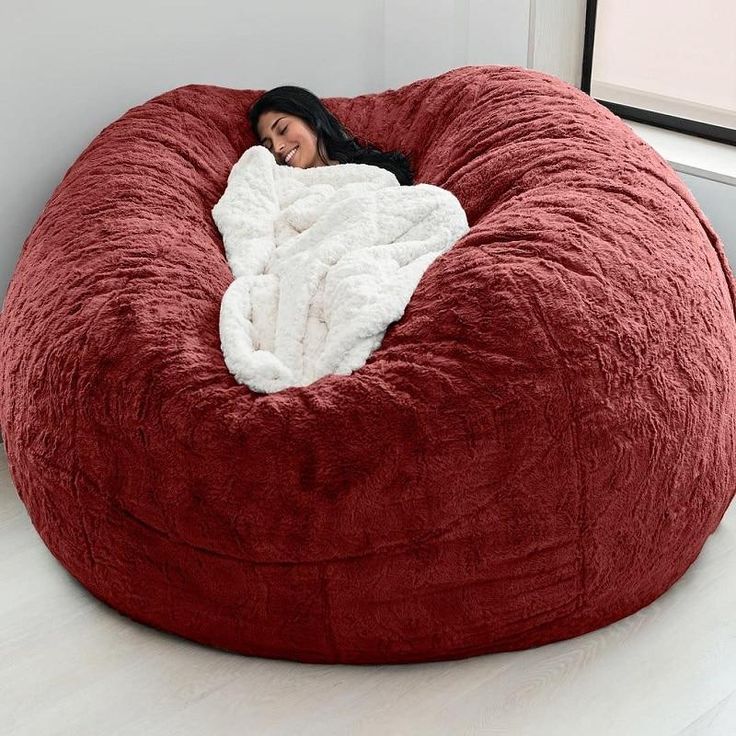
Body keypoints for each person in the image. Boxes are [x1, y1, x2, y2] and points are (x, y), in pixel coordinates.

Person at [248, 85, 415, 185]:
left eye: (283, 129)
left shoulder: (378, 170)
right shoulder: (281, 187)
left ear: (312, 119)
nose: (277, 147)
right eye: (268, 146)